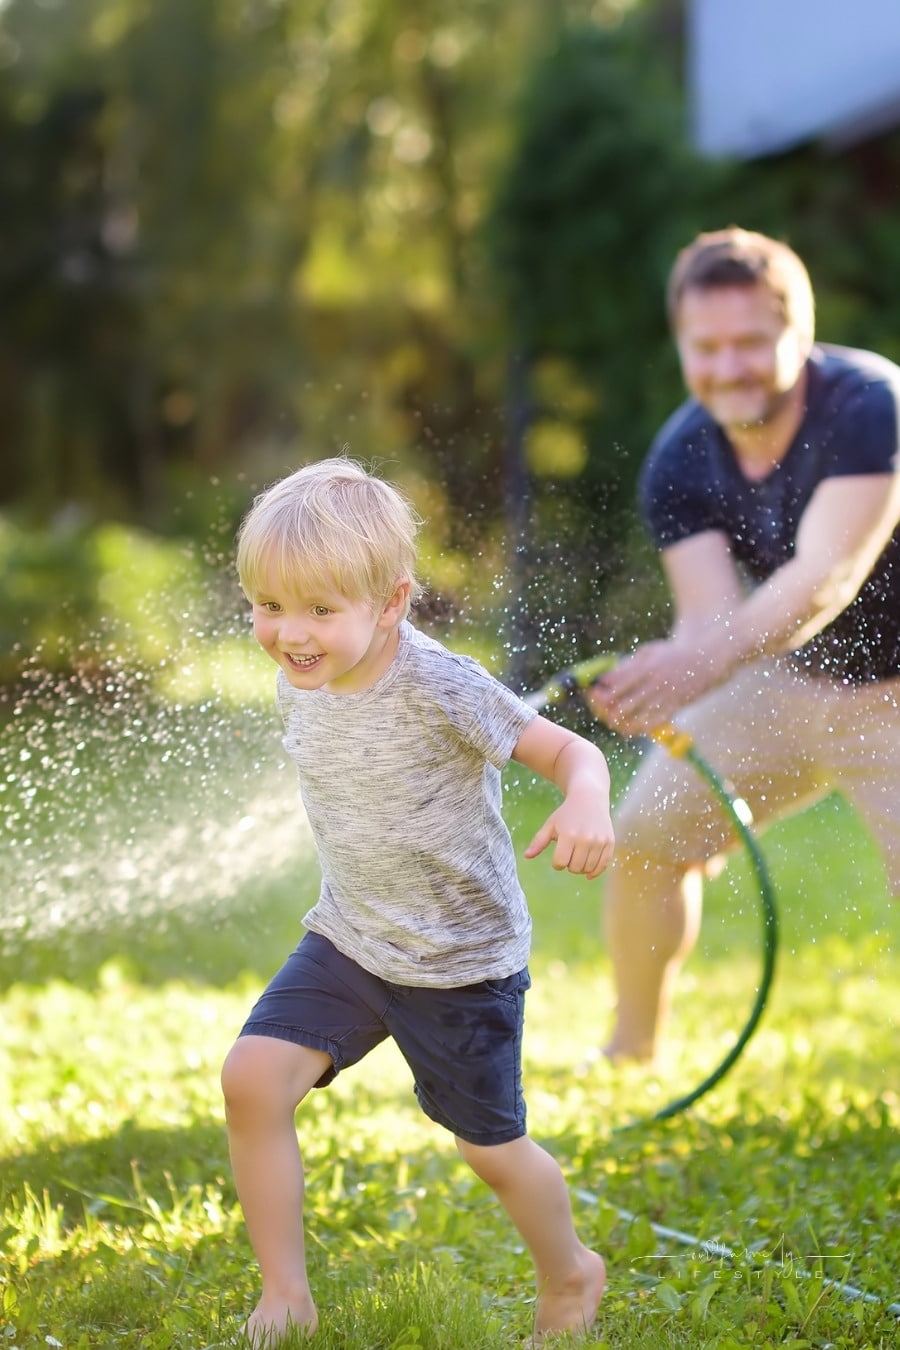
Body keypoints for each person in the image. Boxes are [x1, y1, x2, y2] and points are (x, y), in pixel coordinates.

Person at [220, 456, 614, 1346]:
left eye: (321, 610)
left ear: (392, 604)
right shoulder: (302, 669)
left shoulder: (444, 686)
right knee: (251, 1081)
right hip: (353, 940)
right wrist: (308, 630)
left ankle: (571, 1274)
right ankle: (286, 1294)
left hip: (460, 964)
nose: (291, 634)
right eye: (270, 606)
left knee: (493, 1151)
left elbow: (571, 757)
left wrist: (587, 799)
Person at [587, 226, 900, 1064]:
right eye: (707, 347)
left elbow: (827, 577)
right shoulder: (680, 458)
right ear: (683, 345)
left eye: (753, 343)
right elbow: (710, 622)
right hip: (794, 678)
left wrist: (701, 661)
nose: (730, 368)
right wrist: (657, 683)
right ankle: (631, 1050)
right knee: (648, 835)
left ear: (800, 332)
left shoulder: (873, 407)